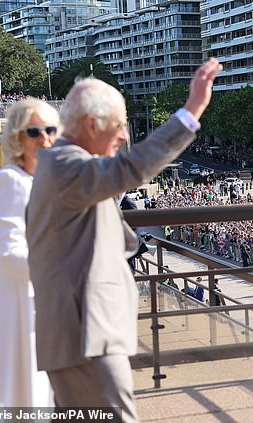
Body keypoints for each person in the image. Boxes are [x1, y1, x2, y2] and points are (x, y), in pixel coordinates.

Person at [26, 59, 222, 421]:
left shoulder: (62, 164)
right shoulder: (68, 165)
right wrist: (192, 110)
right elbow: (131, 169)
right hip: (85, 338)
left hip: (75, 336)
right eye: (119, 126)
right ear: (91, 125)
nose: (123, 136)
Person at [0, 98, 59, 407]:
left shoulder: (45, 181)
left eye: (51, 130)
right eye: (34, 132)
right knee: (26, 399)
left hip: (50, 306)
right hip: (23, 308)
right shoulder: (8, 181)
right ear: (17, 137)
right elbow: (10, 254)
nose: (45, 138)